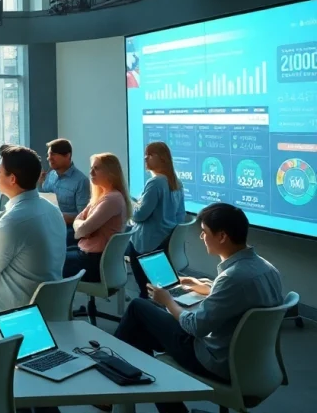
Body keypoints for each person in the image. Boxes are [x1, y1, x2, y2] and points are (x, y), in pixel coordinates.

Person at [110, 203, 282, 413]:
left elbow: (194, 326)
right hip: (251, 362)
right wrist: (206, 288)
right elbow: (244, 301)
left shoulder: (231, 278)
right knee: (140, 337)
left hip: (216, 361)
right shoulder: (267, 268)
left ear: (222, 236)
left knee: (138, 307)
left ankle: (111, 384)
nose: (201, 238)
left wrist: (167, 301)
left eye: (204, 232)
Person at [0, 144, 66, 312]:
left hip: (14, 311)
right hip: (49, 306)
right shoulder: (53, 210)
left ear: (12, 179)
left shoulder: (13, 221)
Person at [128, 141, 187, 298]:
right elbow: (180, 215)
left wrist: (131, 207)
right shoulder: (177, 182)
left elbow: (140, 215)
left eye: (150, 155)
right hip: (165, 240)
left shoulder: (155, 182)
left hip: (148, 243)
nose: (145, 158)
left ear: (162, 158)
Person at [62, 153, 131, 282]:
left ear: (110, 172)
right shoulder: (102, 196)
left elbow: (81, 230)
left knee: (50, 264)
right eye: (91, 168)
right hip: (91, 255)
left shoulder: (111, 199)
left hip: (94, 262)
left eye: (96, 168)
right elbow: (79, 221)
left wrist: (82, 229)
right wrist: (82, 228)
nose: (91, 172)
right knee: (58, 253)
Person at [38, 138, 90, 245]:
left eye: (53, 155)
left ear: (67, 155)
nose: (49, 158)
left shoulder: (81, 181)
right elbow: (45, 198)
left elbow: (83, 216)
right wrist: (40, 183)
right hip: (48, 224)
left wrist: (59, 216)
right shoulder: (50, 175)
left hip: (68, 229)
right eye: (48, 155)